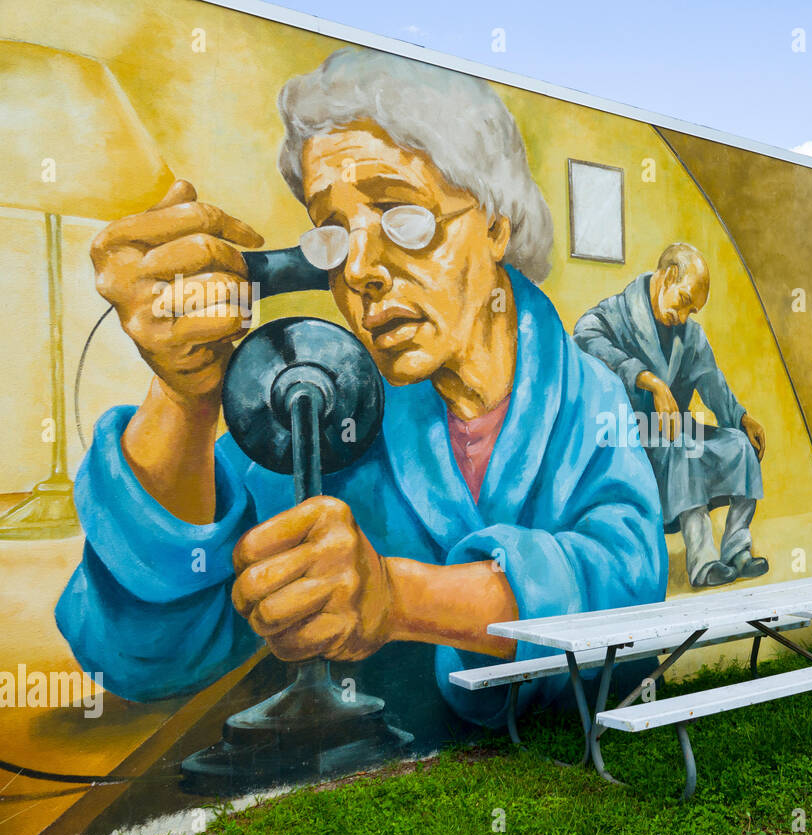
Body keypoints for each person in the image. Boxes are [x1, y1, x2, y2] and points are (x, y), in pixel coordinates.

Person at [55, 48, 666, 744]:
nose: (362, 271)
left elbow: (627, 592)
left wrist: (399, 597)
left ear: (495, 225)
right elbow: (142, 654)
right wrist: (184, 395)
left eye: (404, 218)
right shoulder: (331, 409)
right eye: (334, 234)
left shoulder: (587, 397)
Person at [574, 243, 767, 588]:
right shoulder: (616, 312)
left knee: (739, 446)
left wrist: (741, 418)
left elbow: (712, 383)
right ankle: (703, 562)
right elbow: (585, 336)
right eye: (684, 302)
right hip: (628, 440)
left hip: (672, 434)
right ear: (668, 276)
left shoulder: (689, 334)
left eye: (693, 310)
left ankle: (737, 549)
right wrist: (647, 380)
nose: (685, 315)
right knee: (685, 447)